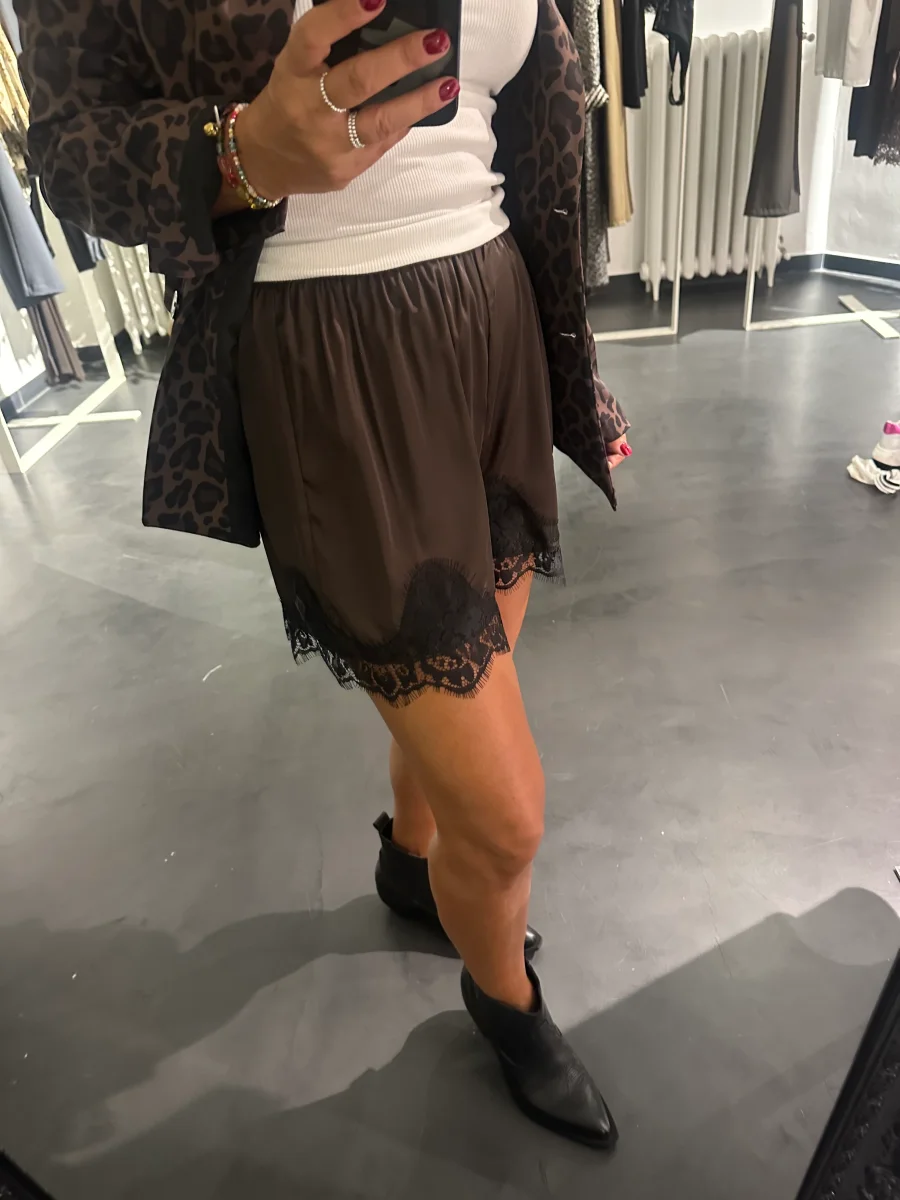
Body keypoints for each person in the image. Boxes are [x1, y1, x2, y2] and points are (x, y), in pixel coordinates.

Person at [19, 0, 632, 1147]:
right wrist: (238, 154)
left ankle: (411, 861)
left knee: (467, 671)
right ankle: (504, 1000)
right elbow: (66, 147)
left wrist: (569, 366)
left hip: (495, 318)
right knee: (505, 818)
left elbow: (521, 119)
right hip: (334, 359)